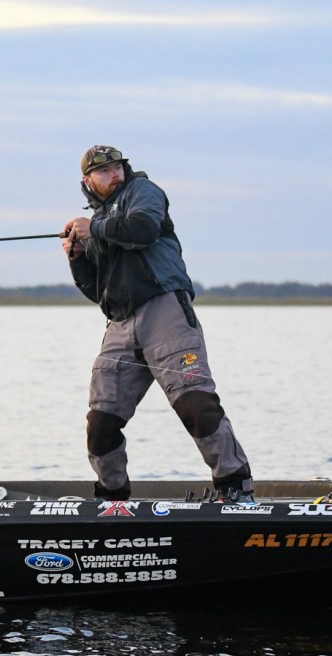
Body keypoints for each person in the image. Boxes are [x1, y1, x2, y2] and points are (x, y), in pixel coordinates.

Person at [62, 144, 254, 503]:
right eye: (104, 171)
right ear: (87, 181)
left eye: (118, 167)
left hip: (165, 312)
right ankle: (111, 497)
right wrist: (77, 259)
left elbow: (143, 229)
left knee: (195, 404)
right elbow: (97, 291)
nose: (115, 174)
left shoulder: (143, 191)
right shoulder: (97, 223)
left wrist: (94, 228)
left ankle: (235, 487)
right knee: (101, 421)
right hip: (120, 325)